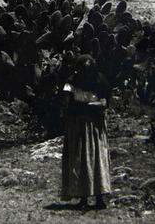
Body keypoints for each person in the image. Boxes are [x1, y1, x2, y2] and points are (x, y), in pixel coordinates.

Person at [60, 55, 111, 209]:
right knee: (79, 159)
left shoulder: (100, 80)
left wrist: (92, 105)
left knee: (96, 159)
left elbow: (105, 101)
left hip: (94, 125)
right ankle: (82, 196)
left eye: (87, 70)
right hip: (77, 124)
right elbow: (65, 98)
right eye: (81, 70)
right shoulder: (71, 81)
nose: (84, 73)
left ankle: (99, 196)